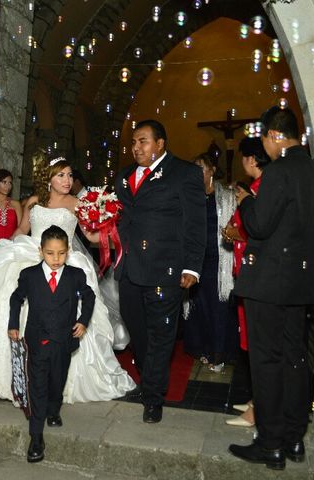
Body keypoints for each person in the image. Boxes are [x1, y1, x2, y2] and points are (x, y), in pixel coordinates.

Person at [0, 152, 135, 404]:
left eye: (69, 175)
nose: (67, 180)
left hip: (63, 260)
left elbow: (90, 238)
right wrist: (2, 254)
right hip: (31, 254)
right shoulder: (35, 201)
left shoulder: (76, 204)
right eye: (61, 175)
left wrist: (107, 227)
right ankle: (16, 375)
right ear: (49, 178)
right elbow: (21, 230)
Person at [229, 107, 314, 469]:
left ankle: (269, 443)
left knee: (267, 362)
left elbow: (259, 225)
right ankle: (293, 438)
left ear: (273, 136)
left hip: (268, 284)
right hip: (299, 284)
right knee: (295, 359)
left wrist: (247, 201)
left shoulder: (277, 174)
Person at [115, 119, 206, 423]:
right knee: (135, 327)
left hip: (166, 269)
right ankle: (148, 376)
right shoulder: (125, 176)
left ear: (160, 144)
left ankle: (153, 396)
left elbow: (196, 223)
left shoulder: (184, 173)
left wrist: (192, 266)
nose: (136, 147)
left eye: (142, 141)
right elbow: (121, 218)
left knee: (161, 334)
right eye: (133, 142)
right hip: (129, 269)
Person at [8, 226, 95, 463]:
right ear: (40, 251)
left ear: (68, 251)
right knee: (37, 387)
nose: (55, 259)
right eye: (50, 253)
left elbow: (89, 297)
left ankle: (54, 409)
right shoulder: (29, 275)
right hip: (37, 341)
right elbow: (16, 298)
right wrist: (13, 323)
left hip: (64, 341)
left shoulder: (76, 275)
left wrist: (83, 320)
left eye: (61, 253)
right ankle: (36, 437)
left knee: (57, 381)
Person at [222, 136, 270, 428]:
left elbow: (257, 232)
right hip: (247, 274)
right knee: (249, 341)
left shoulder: (261, 191)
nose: (242, 163)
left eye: (243, 158)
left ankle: (259, 408)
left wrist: (234, 234)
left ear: (251, 160)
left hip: (259, 277)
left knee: (257, 344)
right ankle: (256, 400)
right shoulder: (253, 189)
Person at [183, 154, 236, 373]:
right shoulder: (189, 196)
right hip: (195, 260)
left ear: (212, 170)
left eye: (201, 169)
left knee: (218, 307)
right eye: (194, 169)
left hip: (219, 259)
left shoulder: (227, 196)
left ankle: (219, 352)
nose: (197, 174)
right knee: (198, 306)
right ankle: (202, 349)